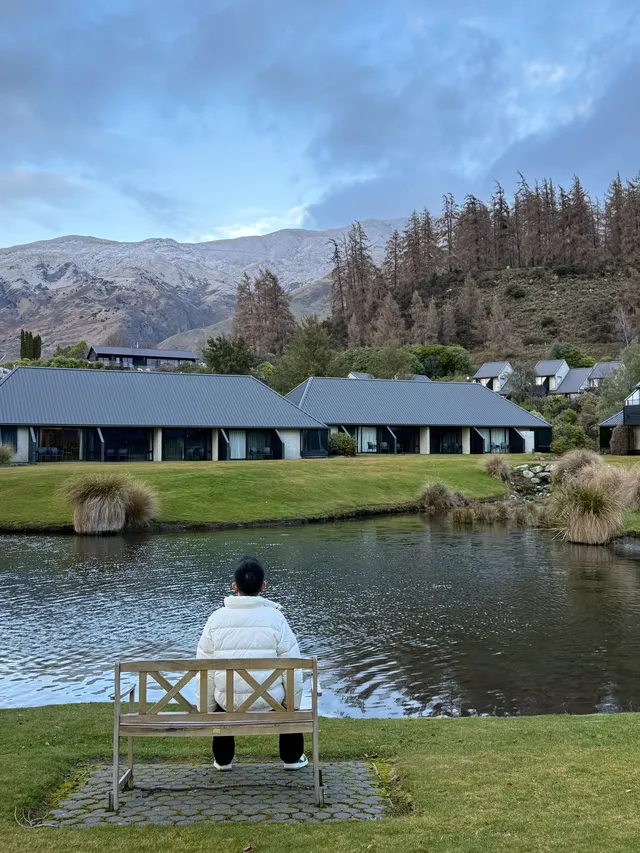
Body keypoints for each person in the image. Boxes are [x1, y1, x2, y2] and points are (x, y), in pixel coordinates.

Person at [196, 556, 307, 771]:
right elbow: (292, 667)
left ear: (234, 586)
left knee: (223, 696)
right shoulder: (277, 619)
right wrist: (292, 707)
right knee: (286, 697)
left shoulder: (215, 619)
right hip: (270, 702)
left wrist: (206, 710)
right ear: (263, 586)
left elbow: (205, 670)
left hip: (229, 704)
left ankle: (223, 759)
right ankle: (292, 757)